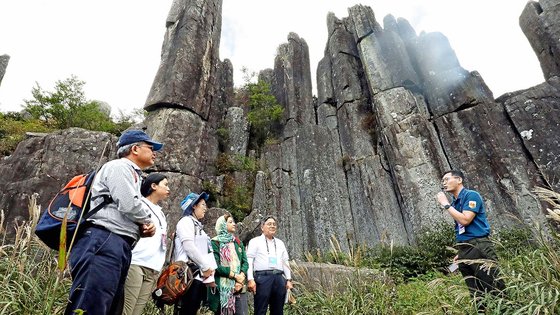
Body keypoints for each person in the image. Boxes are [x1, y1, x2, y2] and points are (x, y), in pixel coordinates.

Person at [65, 130, 163, 315]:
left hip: (115, 244)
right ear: (135, 148)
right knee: (91, 305)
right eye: (150, 148)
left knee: (106, 306)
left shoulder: (133, 174)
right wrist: (147, 221)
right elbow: (128, 203)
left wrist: (139, 229)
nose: (154, 152)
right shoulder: (119, 167)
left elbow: (122, 209)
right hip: (103, 241)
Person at [435, 170, 505, 307]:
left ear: (459, 180)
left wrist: (445, 204)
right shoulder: (455, 203)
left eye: (447, 179)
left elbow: (466, 220)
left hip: (479, 246)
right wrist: (461, 251)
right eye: (442, 181)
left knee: (494, 286)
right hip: (464, 248)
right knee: (476, 293)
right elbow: (462, 229)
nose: (444, 183)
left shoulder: (471, 195)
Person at [122, 173, 170, 315]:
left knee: (137, 312)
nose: (168, 189)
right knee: (126, 310)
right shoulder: (140, 205)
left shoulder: (160, 212)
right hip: (136, 262)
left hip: (153, 266)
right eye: (165, 184)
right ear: (153, 186)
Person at [173, 191, 216, 315]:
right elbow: (189, 247)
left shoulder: (198, 226)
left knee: (193, 309)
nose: (205, 208)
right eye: (202, 204)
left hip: (198, 276)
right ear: (193, 206)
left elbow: (205, 251)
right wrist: (205, 267)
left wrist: (209, 273)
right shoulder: (186, 222)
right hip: (187, 276)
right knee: (186, 309)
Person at [246, 215, 293, 315]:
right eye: (269, 224)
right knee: (260, 309)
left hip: (279, 278)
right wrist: (250, 279)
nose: (272, 226)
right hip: (262, 278)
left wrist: (288, 279)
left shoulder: (280, 243)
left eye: (274, 224)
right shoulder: (255, 241)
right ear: (262, 227)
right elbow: (249, 260)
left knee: (278, 310)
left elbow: (285, 261)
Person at [208, 213, 249, 315]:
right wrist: (235, 276)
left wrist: (241, 278)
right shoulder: (215, 243)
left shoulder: (237, 242)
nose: (234, 224)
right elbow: (216, 265)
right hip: (222, 289)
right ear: (222, 225)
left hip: (238, 287)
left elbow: (245, 262)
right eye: (230, 222)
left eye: (233, 222)